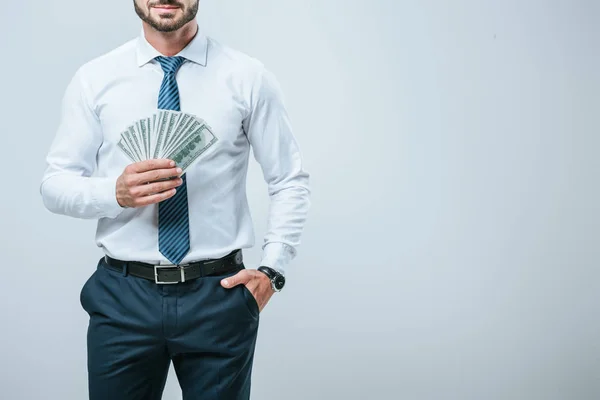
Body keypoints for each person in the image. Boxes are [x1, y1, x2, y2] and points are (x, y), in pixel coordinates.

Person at [39, 0, 311, 398]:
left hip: (218, 296)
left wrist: (273, 270)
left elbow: (289, 179)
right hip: (122, 298)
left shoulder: (248, 77)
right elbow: (54, 184)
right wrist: (113, 192)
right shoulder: (94, 79)